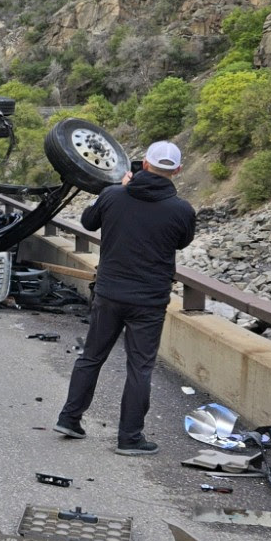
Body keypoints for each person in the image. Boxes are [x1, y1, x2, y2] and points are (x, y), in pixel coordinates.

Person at [54, 139, 197, 455]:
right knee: (140, 368)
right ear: (177, 171)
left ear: (144, 164)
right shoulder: (181, 209)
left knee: (91, 356)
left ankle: (70, 418)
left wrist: (117, 189)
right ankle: (129, 438)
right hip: (149, 300)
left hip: (109, 293)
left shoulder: (113, 195)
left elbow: (88, 222)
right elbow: (183, 241)